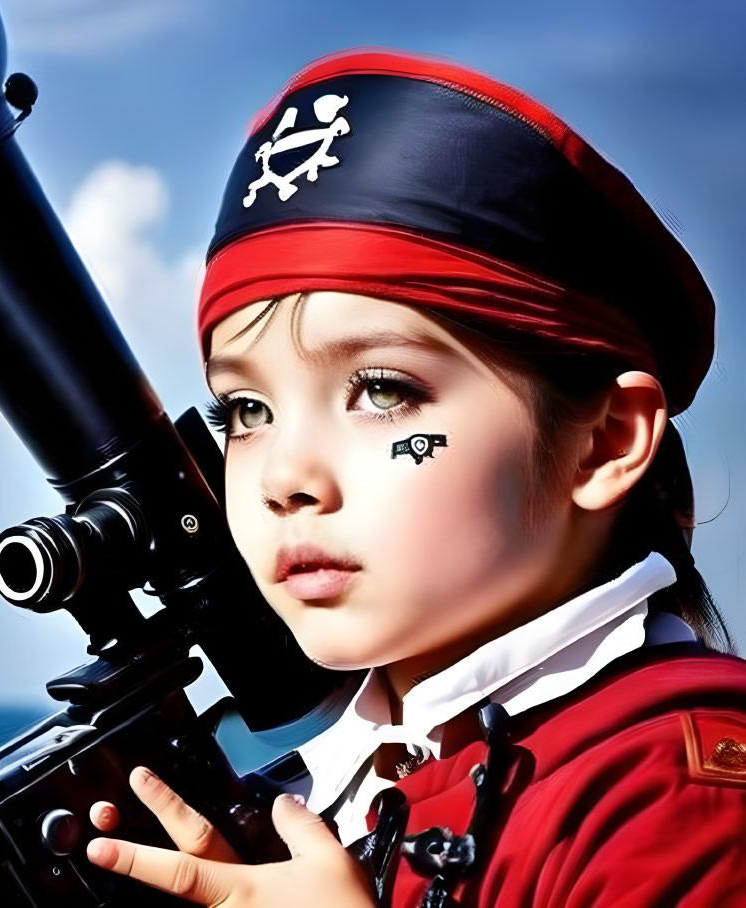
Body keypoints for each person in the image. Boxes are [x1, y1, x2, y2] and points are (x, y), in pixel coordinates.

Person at [82, 48, 746, 907]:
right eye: (244, 411)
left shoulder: (681, 796)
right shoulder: (320, 805)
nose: (284, 475)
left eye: (382, 391)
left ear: (604, 442)